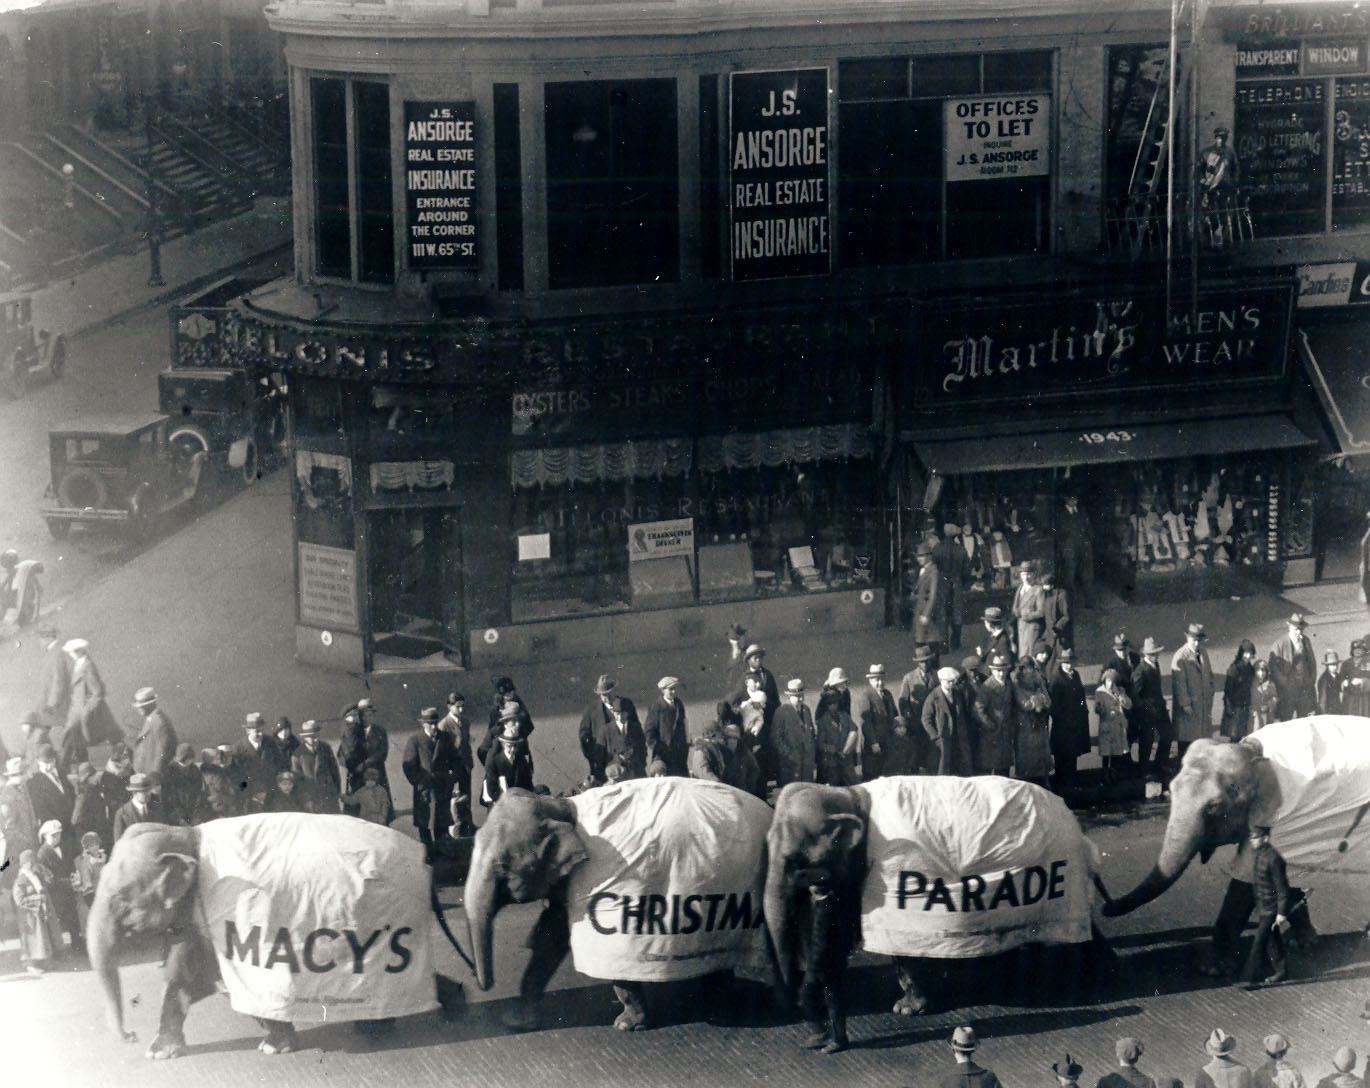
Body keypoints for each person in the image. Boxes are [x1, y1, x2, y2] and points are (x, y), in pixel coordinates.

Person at [1239, 824, 1290, 989]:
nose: (1252, 840)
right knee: (1272, 939)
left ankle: (1249, 978)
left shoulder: (1274, 858)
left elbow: (1282, 887)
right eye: (1251, 837)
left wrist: (1281, 913)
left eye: (1255, 837)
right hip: (1263, 905)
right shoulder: (1259, 854)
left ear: (1265, 838)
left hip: (1271, 908)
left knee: (1259, 942)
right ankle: (1281, 970)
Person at [403, 706, 457, 847]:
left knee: (442, 825)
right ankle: (428, 855)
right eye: (430, 724)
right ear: (423, 724)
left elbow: (455, 760)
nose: (433, 726)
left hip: (442, 787)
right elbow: (408, 766)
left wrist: (451, 779)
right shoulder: (415, 740)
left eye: (435, 723)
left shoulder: (445, 737)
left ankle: (443, 856)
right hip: (425, 789)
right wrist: (419, 783)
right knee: (425, 825)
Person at [578, 675, 644, 783]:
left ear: (614, 691)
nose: (606, 698)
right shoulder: (591, 709)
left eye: (609, 694)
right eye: (603, 695)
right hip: (604, 762)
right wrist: (592, 757)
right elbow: (583, 735)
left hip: (628, 762)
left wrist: (640, 759)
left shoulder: (627, 704)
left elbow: (637, 731)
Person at [63, 638, 121, 748]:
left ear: (79, 651)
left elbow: (98, 691)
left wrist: (87, 710)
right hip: (77, 706)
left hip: (84, 707)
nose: (70, 654)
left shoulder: (88, 666)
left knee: (72, 734)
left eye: (72, 652)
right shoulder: (78, 663)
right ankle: (78, 761)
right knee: (72, 735)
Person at [12, 848, 62, 974]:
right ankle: (31, 964)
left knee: (40, 939)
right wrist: (38, 899)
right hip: (28, 917)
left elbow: (49, 880)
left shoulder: (35, 876)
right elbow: (19, 900)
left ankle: (42, 963)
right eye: (33, 862)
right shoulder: (20, 880)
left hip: (38, 914)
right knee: (31, 940)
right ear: (27, 863)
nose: (34, 865)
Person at [35, 818, 81, 954]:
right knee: (57, 920)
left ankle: (77, 943)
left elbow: (70, 864)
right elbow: (48, 878)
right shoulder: (42, 854)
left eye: (58, 834)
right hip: (55, 893)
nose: (56, 838)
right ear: (45, 836)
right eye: (53, 835)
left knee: (73, 916)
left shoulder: (64, 847)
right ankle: (56, 948)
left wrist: (74, 874)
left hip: (67, 890)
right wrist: (68, 882)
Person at [1048, 648, 1089, 794]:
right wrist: (1063, 718)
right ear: (1061, 663)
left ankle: (1072, 784)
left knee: (1073, 756)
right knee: (1062, 757)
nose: (1069, 666)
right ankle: (1062, 788)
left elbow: (1081, 697)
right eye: (1066, 663)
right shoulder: (1056, 678)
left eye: (1070, 662)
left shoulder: (1075, 675)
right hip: (1063, 727)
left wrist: (1083, 712)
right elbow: (1053, 705)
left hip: (1076, 725)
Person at [1172, 623, 1215, 764]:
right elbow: (1180, 684)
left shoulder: (1203, 652)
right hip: (1189, 710)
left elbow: (1209, 675)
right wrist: (1185, 704)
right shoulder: (1180, 657)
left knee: (1201, 742)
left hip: (1202, 706)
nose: (1196, 643)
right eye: (1193, 640)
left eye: (1199, 640)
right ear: (1187, 638)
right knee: (1187, 743)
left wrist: (1210, 694)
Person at [1012, 642, 1053, 787]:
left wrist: (1038, 699)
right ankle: (1027, 785)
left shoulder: (1038, 679)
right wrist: (1037, 698)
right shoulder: (1016, 682)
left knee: (1042, 758)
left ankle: (1045, 783)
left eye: (1031, 668)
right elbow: (1024, 703)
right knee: (1026, 759)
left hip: (1039, 725)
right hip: (1025, 726)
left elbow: (1048, 701)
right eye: (1026, 669)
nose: (1029, 671)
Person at [923, 665, 973, 776]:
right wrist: (935, 737)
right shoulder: (933, 697)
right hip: (944, 738)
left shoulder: (957, 694)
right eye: (949, 682)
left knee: (960, 768)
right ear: (941, 681)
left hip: (959, 737)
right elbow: (926, 719)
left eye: (953, 681)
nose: (952, 684)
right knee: (944, 769)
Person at [851, 664, 898, 780]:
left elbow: (894, 714)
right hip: (873, 745)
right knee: (872, 776)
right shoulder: (866, 695)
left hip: (887, 742)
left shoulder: (887, 694)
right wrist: (873, 742)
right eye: (877, 680)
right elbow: (865, 722)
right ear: (871, 680)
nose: (880, 683)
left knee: (885, 774)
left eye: (882, 679)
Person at [439, 692, 476, 836]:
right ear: (449, 706)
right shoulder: (444, 725)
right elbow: (442, 751)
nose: (461, 710)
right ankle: (457, 827)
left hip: (465, 765)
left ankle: (468, 824)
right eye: (458, 707)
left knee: (467, 795)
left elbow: (466, 742)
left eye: (462, 707)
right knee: (454, 798)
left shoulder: (465, 721)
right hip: (452, 768)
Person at [1268, 614, 1317, 721]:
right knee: (1286, 720)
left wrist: (1311, 679)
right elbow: (1273, 667)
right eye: (1296, 629)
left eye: (1301, 629)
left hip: (1304, 688)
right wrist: (1284, 682)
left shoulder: (1306, 641)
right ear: (1289, 627)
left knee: (1304, 720)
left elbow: (1312, 663)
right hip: (1287, 690)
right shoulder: (1279, 643)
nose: (1299, 632)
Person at [1135, 637, 1172, 776]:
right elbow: (1136, 695)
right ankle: (1143, 770)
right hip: (1148, 712)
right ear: (1145, 655)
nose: (1155, 656)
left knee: (1168, 735)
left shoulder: (1155, 666)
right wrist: (1145, 708)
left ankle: (1160, 764)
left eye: (1156, 653)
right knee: (1147, 740)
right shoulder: (1140, 670)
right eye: (1152, 654)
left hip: (1160, 709)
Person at [973, 653, 1015, 776]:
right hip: (991, 735)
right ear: (992, 671)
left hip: (1005, 732)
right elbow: (977, 709)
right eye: (998, 671)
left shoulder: (1008, 684)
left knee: (1004, 768)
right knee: (990, 767)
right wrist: (990, 725)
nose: (1001, 674)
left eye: (1003, 671)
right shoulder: (987, 687)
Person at [232, 711, 289, 799]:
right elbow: (237, 776)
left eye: (262, 730)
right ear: (248, 731)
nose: (261, 734)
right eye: (257, 731)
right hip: (249, 796)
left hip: (270, 793)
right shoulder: (238, 749)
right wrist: (250, 793)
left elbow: (279, 765)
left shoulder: (270, 742)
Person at [772, 678, 818, 786]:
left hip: (807, 763)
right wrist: (789, 754)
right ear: (789, 696)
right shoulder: (781, 712)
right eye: (797, 696)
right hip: (790, 764)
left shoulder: (806, 710)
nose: (800, 698)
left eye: (802, 695)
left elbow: (811, 731)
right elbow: (776, 738)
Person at [815, 673, 859, 785]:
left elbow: (853, 728)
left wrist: (846, 749)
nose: (834, 705)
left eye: (836, 703)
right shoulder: (824, 718)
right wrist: (835, 750)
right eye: (831, 704)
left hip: (844, 753)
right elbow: (821, 743)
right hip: (831, 759)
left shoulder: (843, 714)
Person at [292, 719, 342, 814]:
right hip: (311, 798)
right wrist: (306, 800)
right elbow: (298, 781)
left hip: (328, 795)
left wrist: (337, 792)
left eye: (316, 736)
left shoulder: (326, 748)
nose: (314, 739)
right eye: (310, 737)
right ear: (304, 738)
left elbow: (335, 771)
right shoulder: (298, 754)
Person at [26, 742, 75, 838]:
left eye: (51, 762)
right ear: (38, 761)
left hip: (71, 824)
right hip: (55, 830)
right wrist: (56, 826)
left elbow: (71, 794)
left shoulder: (62, 773)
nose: (49, 766)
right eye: (45, 763)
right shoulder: (34, 782)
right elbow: (41, 809)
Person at [645, 676, 690, 777]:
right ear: (663, 690)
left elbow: (683, 724)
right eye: (671, 689)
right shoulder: (656, 707)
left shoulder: (679, 704)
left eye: (675, 689)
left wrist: (685, 745)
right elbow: (649, 732)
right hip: (664, 755)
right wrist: (658, 748)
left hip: (680, 754)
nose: (674, 692)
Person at [482, 720, 534, 807]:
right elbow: (492, 789)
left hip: (519, 803)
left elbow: (528, 783)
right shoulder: (494, 762)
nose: (512, 749)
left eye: (515, 746)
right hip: (499, 804)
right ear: (503, 744)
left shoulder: (521, 759)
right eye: (509, 746)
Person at [130, 687, 177, 781]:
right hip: (147, 774)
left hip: (153, 777)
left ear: (151, 704)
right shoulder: (152, 719)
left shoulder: (159, 722)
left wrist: (156, 773)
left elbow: (163, 749)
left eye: (142, 705)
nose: (139, 708)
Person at [1096, 668, 1132, 785]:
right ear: (1104, 681)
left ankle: (1115, 775)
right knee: (1107, 753)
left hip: (1118, 727)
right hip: (1107, 727)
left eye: (1113, 681)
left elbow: (1128, 705)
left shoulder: (1120, 691)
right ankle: (1105, 775)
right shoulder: (1100, 692)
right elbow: (1098, 708)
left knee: (1117, 752)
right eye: (1109, 681)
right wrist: (1101, 709)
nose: (1111, 684)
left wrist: (1121, 696)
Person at [935, 523, 968, 650]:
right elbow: (966, 569)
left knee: (942, 611)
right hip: (957, 581)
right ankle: (956, 642)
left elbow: (934, 565)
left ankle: (944, 643)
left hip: (942, 582)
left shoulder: (938, 548)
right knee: (957, 611)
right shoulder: (961, 549)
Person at [31, 626, 71, 731]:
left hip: (57, 700)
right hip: (52, 698)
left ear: (48, 638)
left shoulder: (56, 653)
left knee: (64, 724)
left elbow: (59, 680)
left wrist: (52, 702)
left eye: (41, 638)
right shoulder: (51, 651)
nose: (39, 642)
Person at [898, 646, 938, 748]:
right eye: (921, 662)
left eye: (926, 661)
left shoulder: (937, 676)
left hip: (933, 719)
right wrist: (908, 715)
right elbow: (903, 700)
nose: (924, 664)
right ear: (917, 663)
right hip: (916, 720)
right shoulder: (909, 678)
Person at [1220, 641, 1257, 741]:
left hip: (1245, 706)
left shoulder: (1250, 669)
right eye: (1246, 653)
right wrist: (1228, 707)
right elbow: (1228, 690)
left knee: (1241, 734)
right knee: (1234, 735)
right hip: (1234, 706)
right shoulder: (1234, 668)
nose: (1248, 656)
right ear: (1241, 653)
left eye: (1251, 653)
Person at [112, 772, 164, 841]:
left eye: (149, 790)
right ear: (134, 793)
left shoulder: (157, 808)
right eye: (144, 792)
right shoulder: (122, 813)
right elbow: (119, 842)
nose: (148, 794)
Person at [912, 542, 945, 652]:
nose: (919, 558)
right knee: (922, 640)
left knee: (930, 640)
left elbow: (933, 594)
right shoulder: (923, 570)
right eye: (918, 556)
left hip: (928, 611)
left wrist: (926, 614)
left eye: (922, 556)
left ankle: (931, 666)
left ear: (929, 556)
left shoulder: (933, 571)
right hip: (921, 609)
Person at [1012, 563, 1046, 666]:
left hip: (1032, 628)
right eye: (1023, 574)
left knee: (1031, 655)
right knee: (1022, 655)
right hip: (1021, 626)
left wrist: (1027, 615)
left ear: (1034, 574)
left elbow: (1041, 612)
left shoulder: (1038, 590)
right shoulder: (1020, 588)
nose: (1025, 577)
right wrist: (1015, 611)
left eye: (1028, 574)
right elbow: (1015, 605)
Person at [721, 722, 766, 799]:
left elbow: (755, 769)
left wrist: (749, 785)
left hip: (743, 791)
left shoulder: (744, 752)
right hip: (727, 792)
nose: (732, 741)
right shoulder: (721, 751)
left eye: (734, 738)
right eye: (729, 738)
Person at [161, 744, 202, 826]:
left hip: (192, 813)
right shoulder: (170, 772)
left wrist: (195, 816)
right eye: (187, 758)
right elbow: (169, 799)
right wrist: (179, 819)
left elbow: (198, 794)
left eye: (191, 758)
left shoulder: (195, 770)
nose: (189, 761)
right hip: (176, 816)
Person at [198, 745, 240, 820]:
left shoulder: (213, 769)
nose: (220, 760)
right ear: (209, 760)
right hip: (218, 806)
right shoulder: (213, 772)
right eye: (217, 758)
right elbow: (221, 787)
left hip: (219, 804)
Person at [1040, 568, 1073, 662]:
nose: (1043, 587)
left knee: (1061, 658)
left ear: (1051, 585)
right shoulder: (1046, 595)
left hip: (1060, 634)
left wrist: (1057, 628)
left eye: (1045, 585)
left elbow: (1066, 616)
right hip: (1049, 634)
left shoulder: (1062, 595)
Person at [73, 830, 107, 919]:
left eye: (97, 844)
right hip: (94, 894)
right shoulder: (85, 861)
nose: (95, 847)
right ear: (86, 847)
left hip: (105, 890)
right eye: (92, 845)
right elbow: (86, 882)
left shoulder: (103, 857)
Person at [1251, 662, 1280, 729]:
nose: (1261, 673)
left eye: (1263, 670)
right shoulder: (1251, 685)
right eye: (1258, 670)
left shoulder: (1270, 685)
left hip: (1267, 715)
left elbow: (1275, 698)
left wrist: (1269, 705)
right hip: (1254, 716)